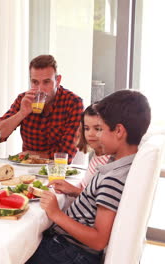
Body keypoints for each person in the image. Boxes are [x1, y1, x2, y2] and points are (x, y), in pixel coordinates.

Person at [26, 90, 151, 264]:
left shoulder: (113, 178)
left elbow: (98, 240)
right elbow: (102, 201)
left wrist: (56, 213)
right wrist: (76, 192)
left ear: (119, 131)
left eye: (101, 129)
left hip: (70, 252)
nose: (97, 136)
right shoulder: (119, 164)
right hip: (69, 248)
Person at [0, 55, 84, 163]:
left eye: (46, 82)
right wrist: (21, 113)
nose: (40, 89)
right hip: (26, 170)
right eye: (35, 82)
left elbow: (65, 154)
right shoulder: (25, 99)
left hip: (58, 171)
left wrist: (32, 155)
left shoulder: (73, 103)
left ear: (58, 81)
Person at [50, 103, 112, 196]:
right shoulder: (97, 153)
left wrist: (73, 190)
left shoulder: (108, 162)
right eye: (87, 128)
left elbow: (97, 200)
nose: (90, 133)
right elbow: (86, 187)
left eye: (97, 129)